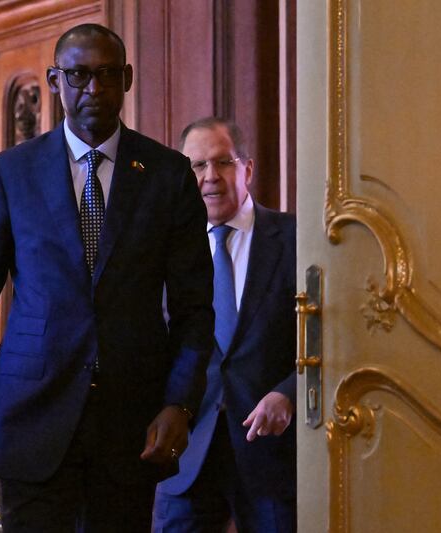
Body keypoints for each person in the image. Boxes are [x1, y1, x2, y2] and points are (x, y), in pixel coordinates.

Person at [0, 23, 214, 532]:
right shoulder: (11, 174)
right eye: (79, 75)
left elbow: (195, 310)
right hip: (32, 420)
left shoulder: (167, 174)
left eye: (107, 75)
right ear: (53, 80)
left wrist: (179, 402)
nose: (94, 89)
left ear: (127, 79)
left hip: (132, 426)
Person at [153, 118, 297, 532]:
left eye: (223, 163)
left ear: (247, 169)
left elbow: (333, 340)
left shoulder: (297, 239)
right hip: (185, 454)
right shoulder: (163, 251)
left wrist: (288, 393)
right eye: (197, 166)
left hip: (271, 457)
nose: (210, 177)